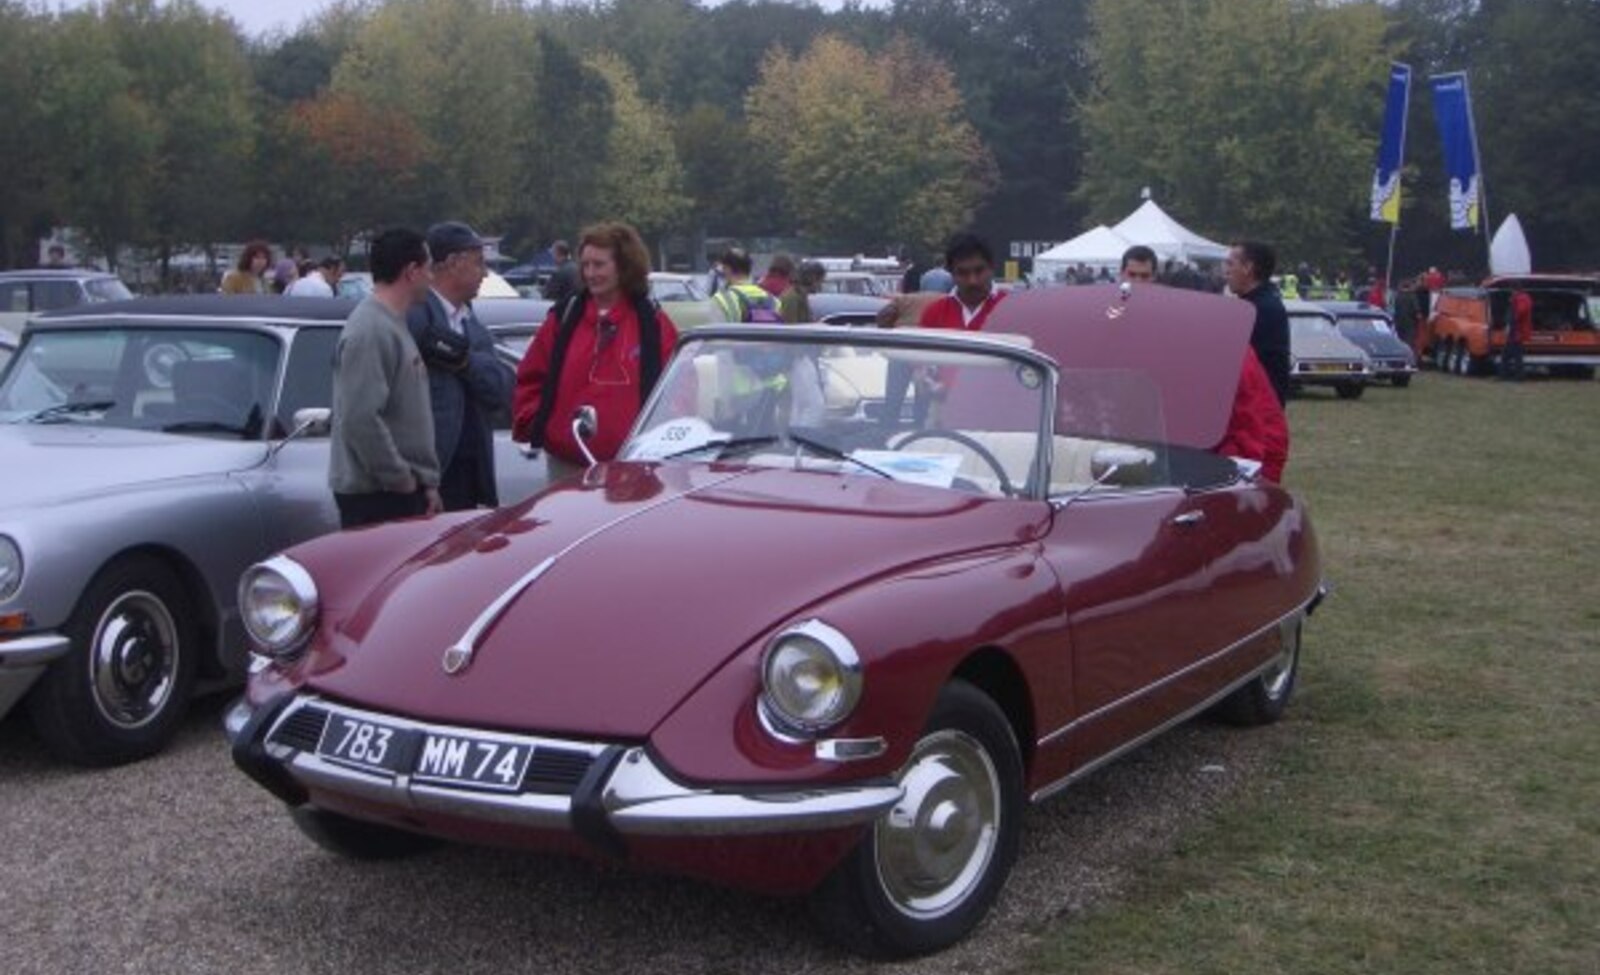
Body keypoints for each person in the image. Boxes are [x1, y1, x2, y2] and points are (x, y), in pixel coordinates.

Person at [512, 222, 679, 482]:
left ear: (624, 267)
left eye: (599, 265)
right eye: (585, 265)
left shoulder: (654, 324)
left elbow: (678, 390)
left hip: (633, 472)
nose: (590, 273)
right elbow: (529, 377)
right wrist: (542, 426)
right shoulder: (563, 319)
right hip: (565, 466)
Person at [1122, 245, 1288, 481]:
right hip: (1204, 455)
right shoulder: (1135, 323)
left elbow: (1252, 420)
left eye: (1145, 276)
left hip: (1231, 462)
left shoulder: (1229, 348)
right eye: (1133, 275)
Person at [328, 227, 441, 528]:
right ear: (411, 271)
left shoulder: (392, 324)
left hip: (398, 493)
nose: (432, 278)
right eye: (428, 269)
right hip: (378, 497)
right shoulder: (370, 330)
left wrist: (425, 483)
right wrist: (401, 479)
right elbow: (359, 418)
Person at [408, 222, 516, 511]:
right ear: (453, 263)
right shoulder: (414, 317)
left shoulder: (473, 324)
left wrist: (464, 359)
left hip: (470, 473)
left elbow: (501, 388)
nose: (485, 273)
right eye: (479, 263)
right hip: (430, 475)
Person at [1223, 240, 1291, 406]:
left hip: (1257, 411)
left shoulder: (1260, 310)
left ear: (1248, 268)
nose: (1226, 271)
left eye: (1231, 264)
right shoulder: (1255, 304)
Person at [711, 247, 781, 322]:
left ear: (728, 269)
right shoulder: (775, 302)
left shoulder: (721, 300)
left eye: (724, 268)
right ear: (749, 269)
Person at [779, 260, 826, 324]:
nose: (821, 285)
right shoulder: (791, 298)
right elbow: (791, 329)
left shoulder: (801, 296)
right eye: (821, 281)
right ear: (812, 278)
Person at [1500, 289, 1532, 381]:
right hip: (1516, 333)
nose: (1509, 298)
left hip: (1515, 333)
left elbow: (1518, 314)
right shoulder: (1524, 299)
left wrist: (1510, 323)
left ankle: (1513, 376)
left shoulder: (1519, 300)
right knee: (1514, 356)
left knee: (1511, 356)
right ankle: (1508, 375)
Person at [542, 239, 579, 307]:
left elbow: (548, 296)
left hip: (565, 310)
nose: (552, 257)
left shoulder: (559, 273)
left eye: (553, 253)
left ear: (557, 253)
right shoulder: (577, 268)